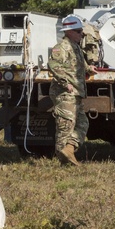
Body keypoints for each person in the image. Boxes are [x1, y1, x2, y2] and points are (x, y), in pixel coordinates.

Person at [48, 15, 88, 166]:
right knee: (65, 126)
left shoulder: (75, 47)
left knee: (82, 123)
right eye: (79, 32)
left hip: (76, 93)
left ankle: (69, 149)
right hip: (65, 93)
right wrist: (66, 83)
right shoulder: (62, 47)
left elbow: (78, 65)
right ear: (69, 31)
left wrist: (90, 69)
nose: (81, 35)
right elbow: (53, 65)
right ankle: (64, 161)